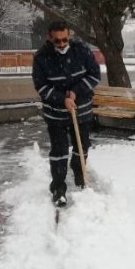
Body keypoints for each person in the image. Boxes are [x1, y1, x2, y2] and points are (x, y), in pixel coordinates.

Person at [32, 21, 101, 206]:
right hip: (56, 114)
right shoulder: (41, 57)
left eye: (64, 39)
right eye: (57, 41)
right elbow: (41, 86)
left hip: (81, 110)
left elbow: (94, 75)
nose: (62, 44)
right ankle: (58, 188)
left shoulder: (81, 50)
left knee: (82, 146)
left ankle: (80, 175)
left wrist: (76, 92)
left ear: (69, 35)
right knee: (59, 151)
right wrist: (62, 99)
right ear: (50, 38)